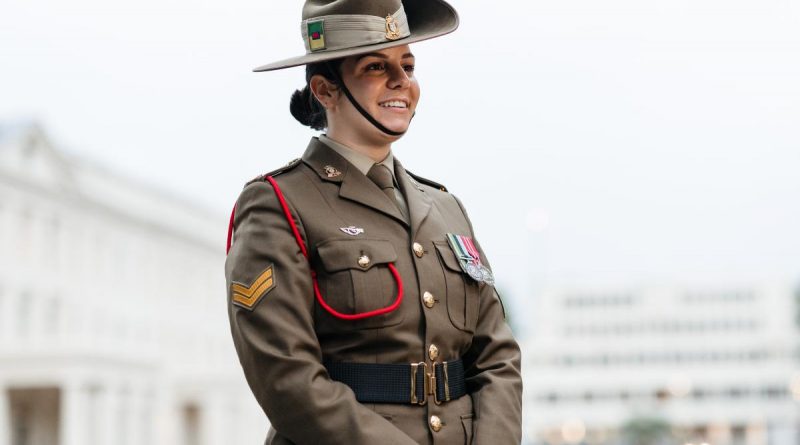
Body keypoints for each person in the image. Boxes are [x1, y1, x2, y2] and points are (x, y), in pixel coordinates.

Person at [225, 0, 522, 443]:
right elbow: (286, 376)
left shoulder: (445, 207)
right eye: (375, 67)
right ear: (325, 91)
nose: (402, 81)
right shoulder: (277, 203)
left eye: (408, 64)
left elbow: (496, 356)